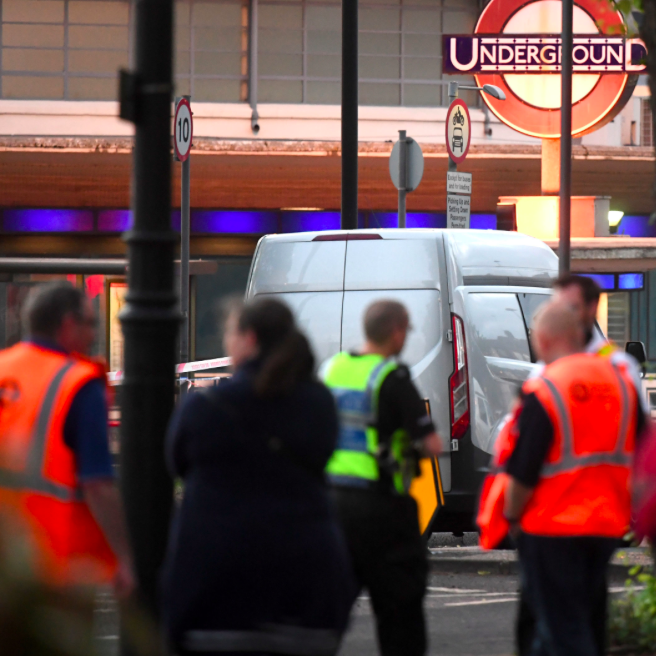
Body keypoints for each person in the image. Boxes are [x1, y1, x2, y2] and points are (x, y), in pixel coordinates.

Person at [162, 297, 354, 655]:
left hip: (215, 594)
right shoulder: (319, 404)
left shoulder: (204, 408)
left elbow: (177, 465)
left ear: (248, 339)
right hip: (307, 591)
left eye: (229, 334)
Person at [503, 301, 643, 656]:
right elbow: (647, 451)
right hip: (605, 527)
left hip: (553, 528)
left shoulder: (547, 389)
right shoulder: (621, 383)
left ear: (545, 340)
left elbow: (523, 469)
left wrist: (512, 516)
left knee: (563, 630)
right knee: (582, 619)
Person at [322, 299, 443, 656]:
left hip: (331, 505)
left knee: (329, 611)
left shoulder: (331, 369)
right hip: (382, 512)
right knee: (399, 614)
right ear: (397, 331)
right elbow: (432, 444)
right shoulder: (393, 377)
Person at [0, 280, 134, 595]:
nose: (93, 335)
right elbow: (98, 484)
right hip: (54, 564)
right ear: (68, 324)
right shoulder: (77, 383)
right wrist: (127, 558)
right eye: (90, 324)